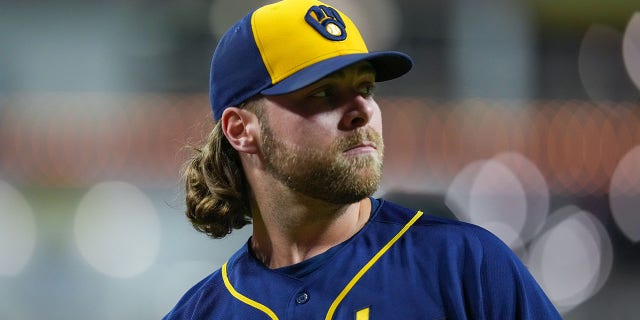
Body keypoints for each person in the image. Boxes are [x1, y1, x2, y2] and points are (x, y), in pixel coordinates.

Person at [164, 0, 562, 319]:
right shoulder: (201, 312)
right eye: (323, 92)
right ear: (240, 130)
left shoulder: (466, 268)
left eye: (366, 88)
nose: (361, 110)